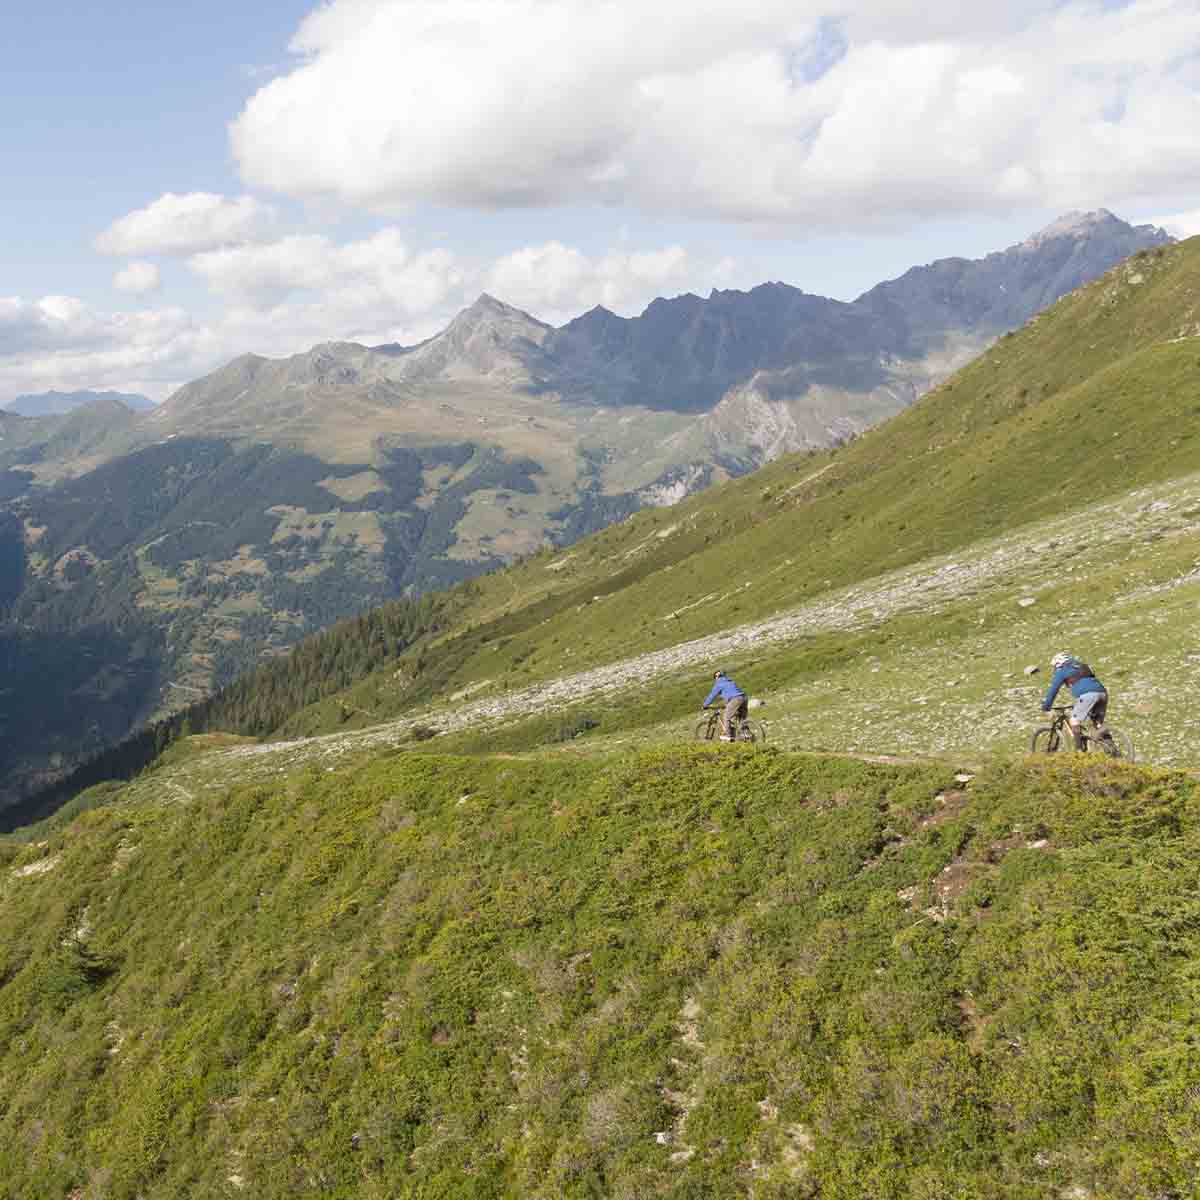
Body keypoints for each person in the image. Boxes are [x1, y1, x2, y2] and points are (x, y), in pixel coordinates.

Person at [1041, 652, 1110, 750]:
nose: (1055, 669)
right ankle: (1113, 751)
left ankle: (1079, 751)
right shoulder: (1084, 666)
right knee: (1097, 724)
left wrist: (1046, 707)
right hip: (1103, 693)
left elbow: (1053, 690)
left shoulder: (1062, 671)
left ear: (1059, 663)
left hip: (1088, 695)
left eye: (1055, 666)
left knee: (1074, 720)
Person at [702, 669, 747, 742]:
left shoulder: (719, 684)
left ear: (717, 677)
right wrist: (726, 704)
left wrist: (705, 705)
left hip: (735, 699)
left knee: (726, 717)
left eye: (715, 677)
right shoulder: (730, 681)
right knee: (740, 719)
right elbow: (731, 693)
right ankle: (746, 734)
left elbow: (712, 696)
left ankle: (728, 735)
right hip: (744, 698)